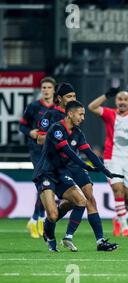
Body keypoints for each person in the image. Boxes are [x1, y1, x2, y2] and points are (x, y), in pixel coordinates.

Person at [33, 100, 121, 252]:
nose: (83, 118)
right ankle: (50, 236)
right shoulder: (57, 129)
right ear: (70, 114)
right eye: (80, 114)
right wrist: (85, 166)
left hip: (61, 173)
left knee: (81, 200)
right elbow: (69, 152)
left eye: (84, 115)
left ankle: (68, 237)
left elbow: (90, 154)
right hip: (45, 173)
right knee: (53, 216)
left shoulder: (77, 133)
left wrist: (106, 171)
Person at [88, 88, 128, 237]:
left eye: (125, 100)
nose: (122, 102)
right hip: (112, 158)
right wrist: (105, 95)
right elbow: (91, 107)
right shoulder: (110, 114)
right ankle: (125, 226)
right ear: (116, 101)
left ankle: (118, 216)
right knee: (118, 189)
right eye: (119, 99)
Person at [19, 76, 56, 238]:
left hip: (52, 150)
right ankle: (39, 218)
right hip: (36, 149)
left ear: (54, 90)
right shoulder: (34, 106)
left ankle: (35, 219)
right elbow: (22, 125)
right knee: (43, 183)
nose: (46, 90)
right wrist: (30, 132)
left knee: (47, 185)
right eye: (44, 88)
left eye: (49, 87)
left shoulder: (58, 108)